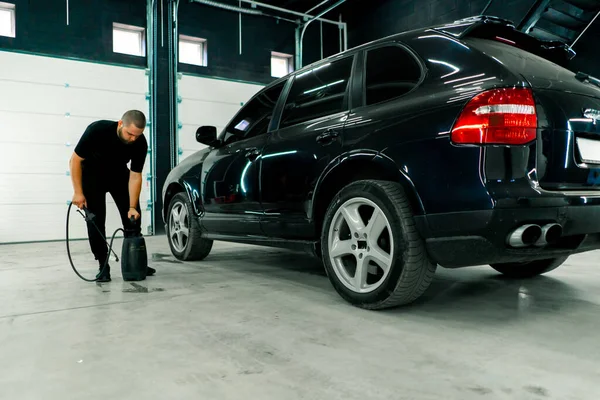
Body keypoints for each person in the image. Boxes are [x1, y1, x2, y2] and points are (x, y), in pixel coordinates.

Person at [69, 110, 156, 282]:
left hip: (118, 176)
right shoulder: (97, 130)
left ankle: (135, 262)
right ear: (120, 124)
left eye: (137, 136)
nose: (133, 139)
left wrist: (132, 206)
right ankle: (103, 266)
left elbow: (135, 175)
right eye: (130, 134)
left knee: (133, 218)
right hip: (92, 177)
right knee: (95, 222)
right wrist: (78, 192)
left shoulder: (140, 143)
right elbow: (75, 161)